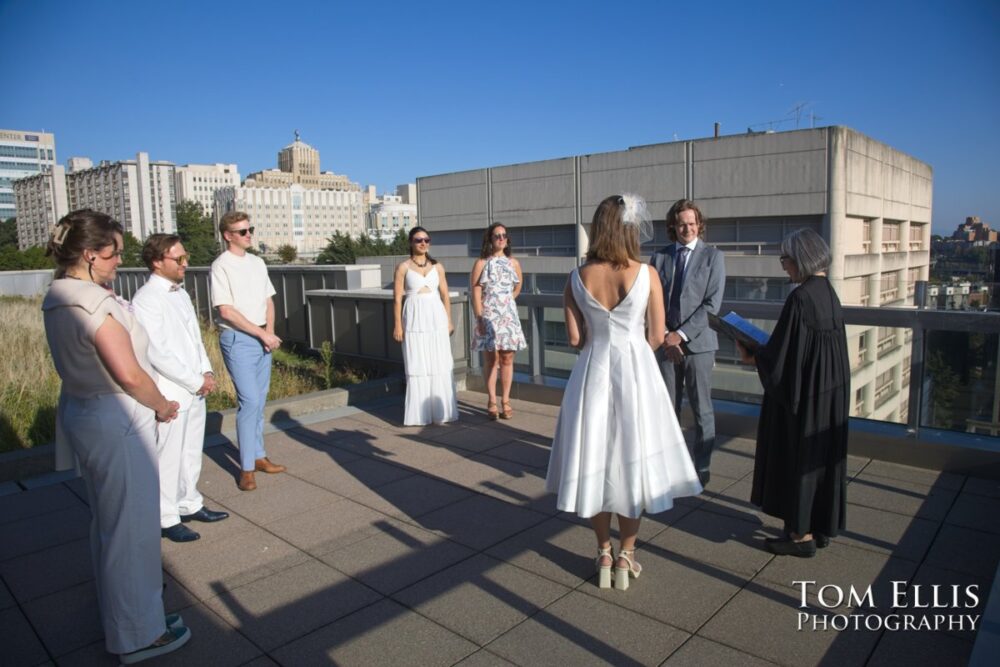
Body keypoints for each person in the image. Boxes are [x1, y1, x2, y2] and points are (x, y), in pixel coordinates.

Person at [41, 209, 190, 663]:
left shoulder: (58, 295)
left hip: (88, 413)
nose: (119, 262)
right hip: (119, 419)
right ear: (89, 254)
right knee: (131, 532)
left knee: (109, 526)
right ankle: (138, 634)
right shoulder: (94, 303)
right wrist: (161, 405)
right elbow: (128, 374)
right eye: (114, 253)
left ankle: (129, 617)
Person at [546, 194, 702, 591]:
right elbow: (654, 335)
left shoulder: (575, 278)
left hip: (592, 372)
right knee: (633, 460)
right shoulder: (647, 274)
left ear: (598, 229)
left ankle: (602, 549)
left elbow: (576, 338)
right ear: (631, 228)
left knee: (595, 459)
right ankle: (627, 555)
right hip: (636, 372)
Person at [736, 229, 850, 558]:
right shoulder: (828, 292)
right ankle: (816, 525)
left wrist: (754, 354)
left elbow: (783, 357)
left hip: (808, 396)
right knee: (821, 459)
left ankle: (800, 536)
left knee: (800, 457)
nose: (783, 266)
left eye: (785, 259)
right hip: (829, 393)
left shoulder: (800, 298)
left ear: (802, 258)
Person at [133, 234, 230, 543]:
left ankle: (189, 502)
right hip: (172, 390)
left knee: (190, 451)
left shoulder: (180, 294)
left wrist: (206, 371)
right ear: (157, 261)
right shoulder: (147, 299)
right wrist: (193, 379)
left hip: (194, 387)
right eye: (179, 259)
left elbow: (194, 338)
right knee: (169, 455)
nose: (185, 263)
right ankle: (166, 516)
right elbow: (157, 351)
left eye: (185, 257)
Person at [650, 199, 726, 485]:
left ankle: (701, 465)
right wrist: (665, 336)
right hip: (665, 345)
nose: (688, 228)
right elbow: (651, 301)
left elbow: (712, 305)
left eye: (692, 223)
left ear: (699, 224)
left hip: (699, 345)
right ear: (673, 226)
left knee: (701, 408)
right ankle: (670, 463)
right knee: (667, 408)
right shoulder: (659, 257)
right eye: (682, 223)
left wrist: (679, 335)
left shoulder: (713, 257)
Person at [210, 211, 286, 491]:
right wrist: (261, 333)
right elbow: (226, 310)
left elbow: (268, 301)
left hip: (262, 337)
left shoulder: (257, 262)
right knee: (250, 401)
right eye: (242, 231)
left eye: (249, 229)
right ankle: (246, 468)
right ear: (228, 235)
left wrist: (270, 333)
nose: (248, 234)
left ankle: (258, 455)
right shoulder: (221, 266)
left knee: (260, 400)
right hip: (238, 338)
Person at [392, 226, 459, 426]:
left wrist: (448, 320)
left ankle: (441, 412)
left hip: (436, 317)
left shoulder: (438, 267)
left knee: (439, 361)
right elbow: (396, 299)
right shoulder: (403, 267)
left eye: (426, 240)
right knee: (417, 362)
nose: (423, 243)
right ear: (411, 243)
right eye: (418, 240)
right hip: (413, 317)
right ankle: (420, 414)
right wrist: (397, 325)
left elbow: (445, 295)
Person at [470, 223, 527, 420]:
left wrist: (507, 301)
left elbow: (518, 286)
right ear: (490, 239)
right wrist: (479, 317)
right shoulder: (481, 263)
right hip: (488, 316)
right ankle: (492, 399)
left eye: (504, 235)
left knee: (507, 358)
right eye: (497, 236)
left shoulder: (514, 263)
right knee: (491, 359)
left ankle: (506, 400)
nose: (501, 238)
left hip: (508, 316)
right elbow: (476, 292)